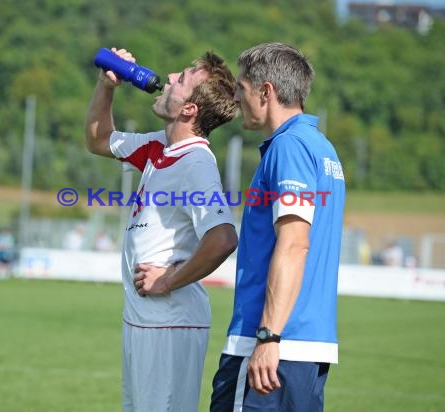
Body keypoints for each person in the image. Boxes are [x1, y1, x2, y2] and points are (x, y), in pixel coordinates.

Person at [85, 47, 239, 412]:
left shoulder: (196, 162)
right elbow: (98, 139)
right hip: (143, 320)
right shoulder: (160, 146)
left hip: (170, 324)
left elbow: (223, 237)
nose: (169, 77)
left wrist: (167, 280)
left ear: (189, 110)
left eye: (181, 79)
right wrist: (107, 86)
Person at [210, 42, 346, 411]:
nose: (237, 98)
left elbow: (294, 244)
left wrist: (269, 336)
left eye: (241, 88)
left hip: (274, 345)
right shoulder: (322, 148)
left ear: (266, 91)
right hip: (305, 346)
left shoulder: (289, 147)